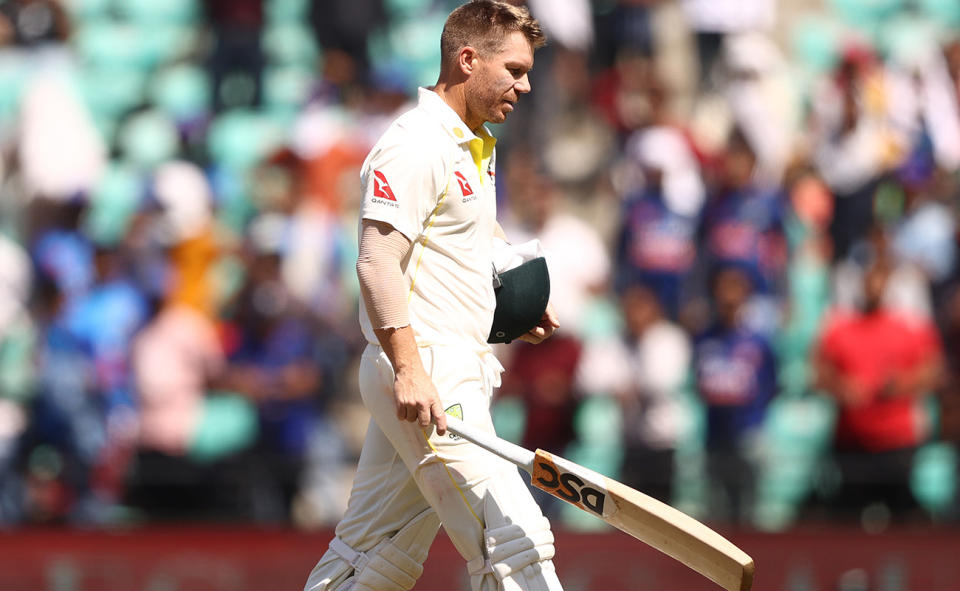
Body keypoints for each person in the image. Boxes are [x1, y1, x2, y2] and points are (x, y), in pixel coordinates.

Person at [303, 3, 563, 591]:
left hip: (448, 369)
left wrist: (514, 301)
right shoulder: (415, 142)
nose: (525, 86)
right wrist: (410, 370)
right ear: (468, 59)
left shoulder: (472, 142)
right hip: (428, 373)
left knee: (372, 559)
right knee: (516, 544)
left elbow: (464, 239)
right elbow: (376, 261)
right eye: (515, 70)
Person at [814, 258, 943, 522]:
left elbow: (933, 370)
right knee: (847, 519)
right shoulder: (841, 329)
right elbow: (819, 372)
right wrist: (842, 387)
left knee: (903, 519)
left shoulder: (907, 329)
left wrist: (903, 384)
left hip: (896, 442)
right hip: (852, 443)